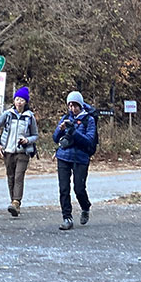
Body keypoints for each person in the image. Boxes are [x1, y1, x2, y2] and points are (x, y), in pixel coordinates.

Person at [53, 90, 97, 230]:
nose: (72, 108)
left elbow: (89, 141)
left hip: (81, 158)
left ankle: (85, 206)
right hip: (64, 156)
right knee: (64, 189)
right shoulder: (66, 118)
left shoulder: (88, 120)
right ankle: (67, 217)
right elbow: (55, 138)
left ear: (80, 105)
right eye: (70, 105)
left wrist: (73, 131)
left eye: (75, 105)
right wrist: (61, 130)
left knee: (79, 188)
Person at [0, 86, 39, 217]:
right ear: (14, 101)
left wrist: (27, 140)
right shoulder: (7, 115)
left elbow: (35, 135)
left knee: (19, 177)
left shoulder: (30, 117)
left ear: (26, 102)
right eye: (17, 99)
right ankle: (14, 203)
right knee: (11, 177)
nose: (19, 102)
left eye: (22, 100)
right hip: (8, 151)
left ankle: (16, 202)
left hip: (23, 152)